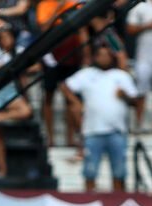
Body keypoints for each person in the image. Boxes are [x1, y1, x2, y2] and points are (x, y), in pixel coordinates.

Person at [61, 46, 138, 192]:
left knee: (119, 172)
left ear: (112, 58)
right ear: (95, 57)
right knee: (90, 171)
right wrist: (76, 102)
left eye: (107, 55)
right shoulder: (86, 74)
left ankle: (118, 202)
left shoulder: (121, 75)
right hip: (92, 131)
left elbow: (135, 101)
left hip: (117, 131)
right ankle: (89, 202)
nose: (104, 58)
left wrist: (125, 96)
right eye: (100, 55)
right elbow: (65, 86)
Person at [35, 0, 88, 147]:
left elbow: (82, 28)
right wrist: (58, 10)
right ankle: (50, 138)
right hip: (51, 55)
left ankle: (70, 138)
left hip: (72, 53)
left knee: (70, 97)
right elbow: (44, 27)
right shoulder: (44, 5)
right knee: (49, 96)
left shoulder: (74, 3)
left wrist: (85, 54)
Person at [0, 26, 32, 178]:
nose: (7, 40)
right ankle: (2, 169)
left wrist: (25, 94)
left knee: (26, 111)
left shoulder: (17, 50)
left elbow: (30, 68)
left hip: (10, 89)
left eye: (8, 36)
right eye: (3, 37)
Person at [126, 0, 152, 133]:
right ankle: (138, 124)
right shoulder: (140, 7)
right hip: (143, 56)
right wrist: (146, 26)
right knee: (141, 91)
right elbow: (130, 28)